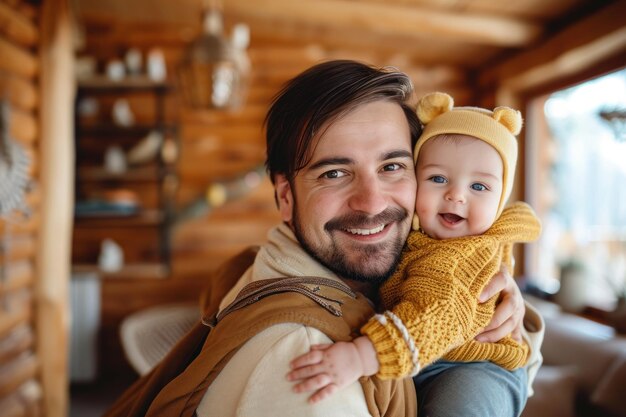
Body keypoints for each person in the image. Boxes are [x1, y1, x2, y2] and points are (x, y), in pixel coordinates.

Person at [103, 60, 544, 417]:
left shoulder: (279, 266)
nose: (371, 203)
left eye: (392, 167)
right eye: (334, 173)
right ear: (285, 196)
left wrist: (505, 310)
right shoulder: (308, 364)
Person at [287, 91, 542, 416]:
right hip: (428, 360)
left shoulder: (459, 257)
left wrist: (361, 357)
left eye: (479, 187)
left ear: (501, 200)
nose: (456, 196)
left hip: (473, 368)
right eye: (438, 178)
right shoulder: (417, 235)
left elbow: (437, 313)